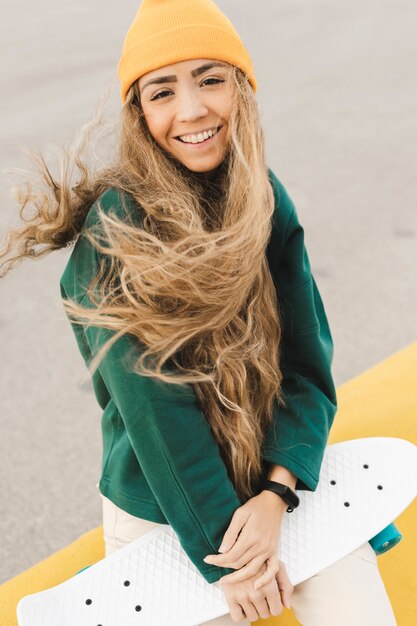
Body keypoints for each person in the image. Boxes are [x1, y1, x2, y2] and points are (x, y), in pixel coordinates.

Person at [0, 1, 397, 624]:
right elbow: (158, 417)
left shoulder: (263, 199)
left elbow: (307, 371)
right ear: (139, 112)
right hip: (168, 507)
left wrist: (276, 493)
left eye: (211, 79)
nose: (191, 110)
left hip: (273, 487)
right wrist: (227, 549)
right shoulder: (117, 233)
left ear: (241, 89)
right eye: (163, 91)